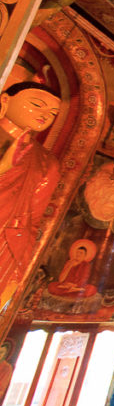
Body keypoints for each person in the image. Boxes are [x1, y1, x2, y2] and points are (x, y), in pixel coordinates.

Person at [0, 82, 62, 316]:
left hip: (9, 240)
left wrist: (21, 262)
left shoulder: (47, 162)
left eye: (52, 113)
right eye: (37, 104)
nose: (44, 115)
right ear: (5, 100)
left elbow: (33, 220)